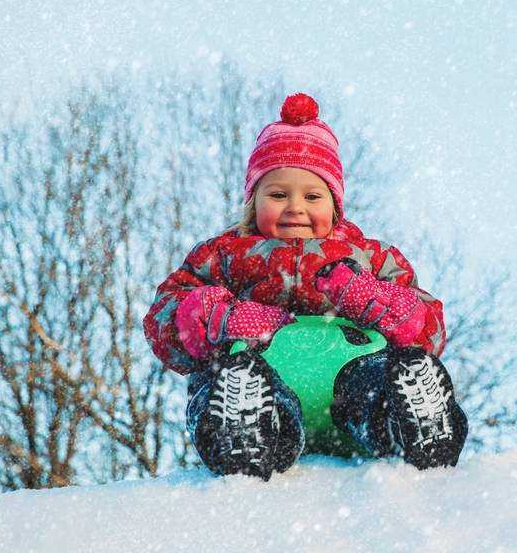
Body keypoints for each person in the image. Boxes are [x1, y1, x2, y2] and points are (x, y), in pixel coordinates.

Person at [143, 92, 468, 479]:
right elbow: (165, 317)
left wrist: (382, 303)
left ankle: (411, 423)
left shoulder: (369, 256)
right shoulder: (223, 255)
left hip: (350, 370)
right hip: (263, 371)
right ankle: (246, 434)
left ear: (334, 204)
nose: (295, 206)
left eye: (312, 196)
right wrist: (221, 317)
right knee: (224, 378)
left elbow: (428, 326)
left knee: (381, 380)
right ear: (253, 201)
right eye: (278, 194)